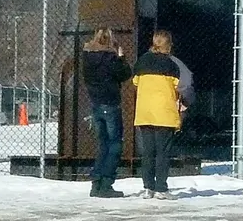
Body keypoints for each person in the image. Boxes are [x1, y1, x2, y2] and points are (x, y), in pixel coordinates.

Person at [132, 28, 193, 199]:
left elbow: (135, 83)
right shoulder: (171, 65)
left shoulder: (141, 62)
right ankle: (161, 188)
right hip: (164, 113)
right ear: (169, 45)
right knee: (162, 152)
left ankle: (148, 188)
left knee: (148, 151)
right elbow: (181, 88)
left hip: (144, 112)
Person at [81, 28, 131, 198]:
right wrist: (121, 57)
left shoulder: (87, 58)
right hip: (110, 104)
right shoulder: (110, 59)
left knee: (103, 144)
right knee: (115, 144)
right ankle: (106, 182)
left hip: (95, 104)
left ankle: (96, 182)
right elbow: (125, 74)